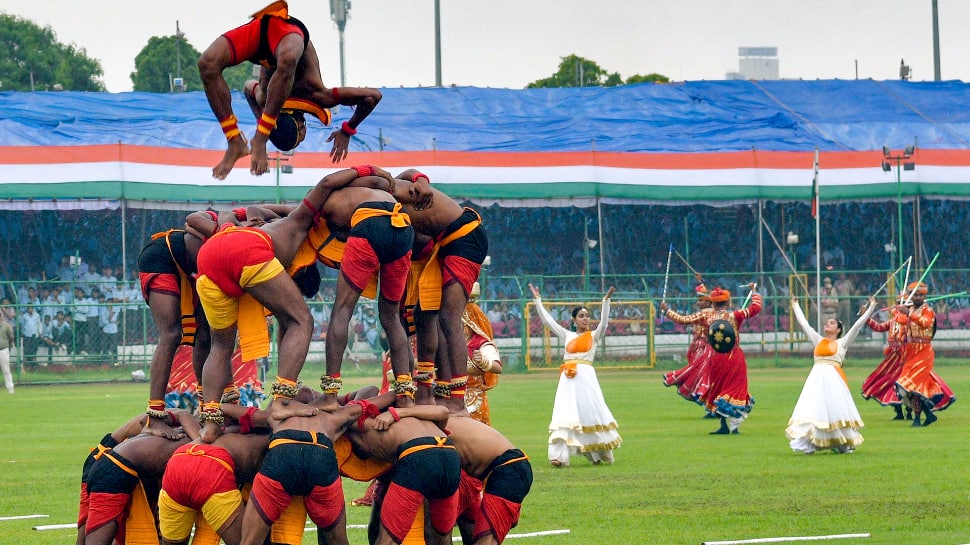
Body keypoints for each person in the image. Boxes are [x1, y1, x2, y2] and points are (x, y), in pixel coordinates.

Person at [187, 166, 400, 441]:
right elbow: (326, 182)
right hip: (247, 251)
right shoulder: (302, 219)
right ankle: (282, 401)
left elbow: (246, 209)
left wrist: (244, 218)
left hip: (210, 256)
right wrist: (371, 171)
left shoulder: (258, 224)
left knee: (221, 345)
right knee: (303, 320)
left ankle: (211, 422)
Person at [199, 1, 382, 179]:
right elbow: (248, 88)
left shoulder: (318, 96)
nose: (305, 134)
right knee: (207, 65)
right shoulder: (264, 98)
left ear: (300, 125)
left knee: (213, 64)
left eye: (301, 136)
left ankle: (238, 138)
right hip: (274, 37)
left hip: (276, 34)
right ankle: (237, 140)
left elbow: (373, 96)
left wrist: (348, 130)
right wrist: (347, 129)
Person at [236, 390, 396, 545]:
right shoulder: (334, 414)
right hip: (319, 458)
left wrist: (216, 407)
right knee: (338, 541)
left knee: (250, 541)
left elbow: (241, 413)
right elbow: (374, 395)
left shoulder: (278, 413)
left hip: (283, 456)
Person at [528, 283, 621, 467]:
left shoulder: (594, 336)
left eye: (587, 316)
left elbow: (604, 324)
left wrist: (606, 300)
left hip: (586, 378)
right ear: (573, 320)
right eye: (581, 316)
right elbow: (548, 322)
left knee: (590, 413)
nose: (585, 319)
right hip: (568, 378)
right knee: (564, 413)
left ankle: (597, 454)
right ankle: (559, 457)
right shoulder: (567, 335)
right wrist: (537, 300)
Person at [344, 401, 461, 545]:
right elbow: (443, 411)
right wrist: (398, 411)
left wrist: (396, 412)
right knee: (442, 539)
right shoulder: (419, 417)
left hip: (419, 457)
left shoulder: (360, 424)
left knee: (386, 541)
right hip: (451, 457)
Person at [137, 227, 211, 437]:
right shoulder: (241, 228)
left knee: (206, 335)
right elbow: (192, 221)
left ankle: (207, 409)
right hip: (163, 256)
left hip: (195, 269)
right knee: (171, 334)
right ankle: (155, 416)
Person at [83, 416, 201, 545]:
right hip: (112, 464)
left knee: (133, 532)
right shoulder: (198, 433)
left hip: (134, 468)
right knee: (96, 536)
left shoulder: (192, 429)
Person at [785, 295, 877, 454]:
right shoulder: (818, 340)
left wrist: (871, 307)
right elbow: (804, 325)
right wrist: (795, 306)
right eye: (827, 322)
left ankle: (840, 442)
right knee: (815, 408)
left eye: (832, 323)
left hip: (834, 381)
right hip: (816, 380)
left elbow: (856, 326)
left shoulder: (842, 343)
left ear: (839, 330)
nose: (828, 324)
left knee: (834, 410)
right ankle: (810, 441)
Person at [668, 285, 762, 434]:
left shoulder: (706, 316)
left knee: (718, 388)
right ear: (728, 303)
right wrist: (754, 293)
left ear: (713, 303)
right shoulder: (735, 315)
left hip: (715, 358)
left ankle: (724, 425)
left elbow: (683, 320)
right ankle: (734, 427)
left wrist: (667, 311)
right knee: (735, 388)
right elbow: (755, 308)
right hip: (734, 356)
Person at [446, 415, 533, 545]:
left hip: (509, 469)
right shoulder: (435, 419)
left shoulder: (434, 422)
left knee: (485, 541)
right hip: (492, 472)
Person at [893, 281, 956, 426]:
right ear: (910, 296)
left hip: (924, 352)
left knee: (914, 387)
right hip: (910, 352)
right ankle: (927, 414)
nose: (918, 298)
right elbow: (899, 320)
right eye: (915, 295)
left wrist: (908, 313)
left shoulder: (928, 310)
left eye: (921, 295)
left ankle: (917, 418)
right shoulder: (909, 310)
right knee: (906, 388)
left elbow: (926, 323)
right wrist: (898, 310)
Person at [660, 274, 715, 410]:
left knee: (699, 376)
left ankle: (707, 401)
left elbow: (683, 320)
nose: (698, 303)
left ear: (708, 302)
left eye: (700, 300)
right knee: (707, 378)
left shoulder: (704, 314)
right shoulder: (712, 312)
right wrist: (701, 281)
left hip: (705, 350)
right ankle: (710, 405)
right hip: (703, 349)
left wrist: (667, 311)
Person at [862, 293, 912, 420]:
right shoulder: (893, 321)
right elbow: (878, 327)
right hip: (892, 358)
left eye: (902, 302)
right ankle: (899, 411)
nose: (898, 305)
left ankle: (910, 411)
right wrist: (866, 315)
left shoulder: (911, 321)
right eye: (898, 302)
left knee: (906, 384)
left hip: (906, 357)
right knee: (890, 382)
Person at [462, 282, 503, 425]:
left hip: (473, 401)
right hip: (446, 398)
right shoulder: (448, 342)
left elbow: (497, 367)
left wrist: (484, 362)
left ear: (471, 323)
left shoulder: (480, 343)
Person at [0, 314, 15, 393]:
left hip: (3, 350)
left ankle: (10, 389)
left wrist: (8, 345)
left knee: (6, 370)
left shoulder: (6, 326)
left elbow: (11, 337)